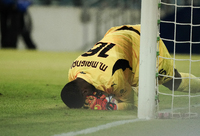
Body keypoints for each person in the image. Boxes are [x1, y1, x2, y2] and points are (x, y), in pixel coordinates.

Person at [61, 25, 200, 110]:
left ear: (85, 92)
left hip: (142, 41)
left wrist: (110, 107)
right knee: (138, 84)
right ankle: (142, 86)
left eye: (86, 102)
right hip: (116, 34)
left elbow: (129, 103)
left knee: (172, 82)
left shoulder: (111, 79)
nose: (89, 103)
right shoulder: (73, 72)